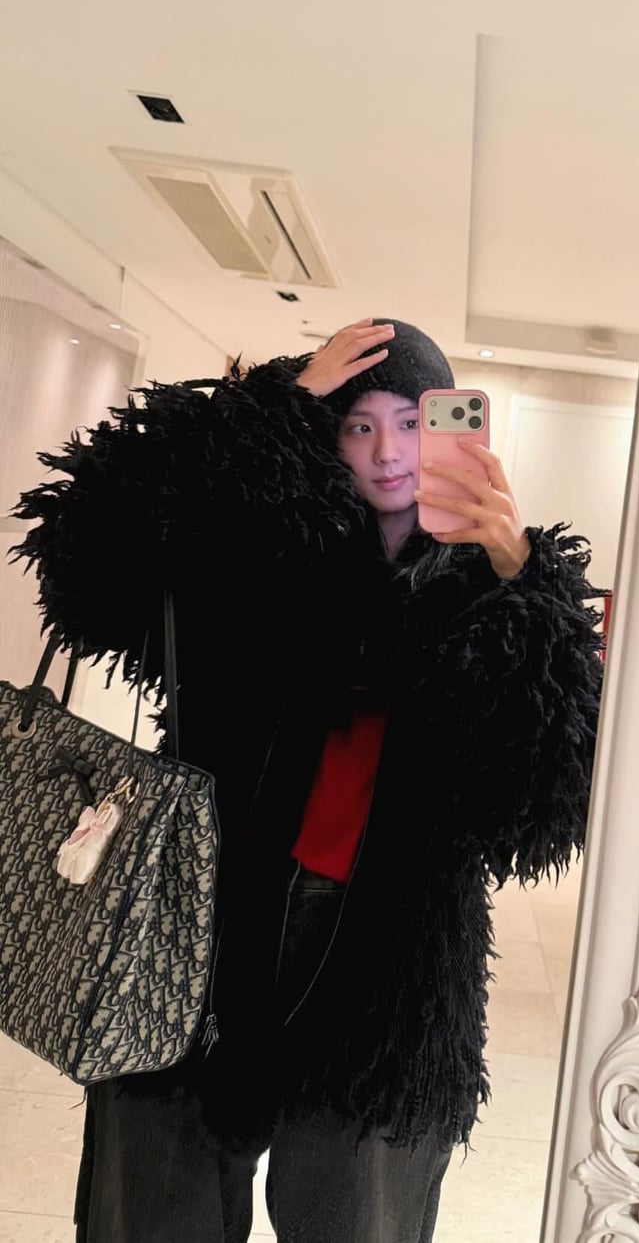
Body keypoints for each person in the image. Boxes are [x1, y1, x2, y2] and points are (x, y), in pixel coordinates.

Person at [12, 317, 603, 1243]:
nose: (388, 453)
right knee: (150, 1209)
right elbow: (79, 551)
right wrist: (266, 407)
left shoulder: (491, 587)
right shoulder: (249, 547)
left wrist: (522, 583)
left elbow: (550, 803)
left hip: (389, 970)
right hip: (194, 923)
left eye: (412, 423)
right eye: (357, 424)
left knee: (355, 1218)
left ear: (454, 430)